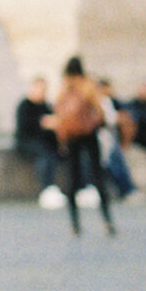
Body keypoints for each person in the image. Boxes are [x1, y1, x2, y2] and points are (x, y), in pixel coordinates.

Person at [47, 58, 114, 234]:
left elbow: (59, 114)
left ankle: (74, 223)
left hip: (71, 137)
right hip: (89, 134)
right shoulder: (88, 85)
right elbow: (99, 110)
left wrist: (62, 138)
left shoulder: (64, 88)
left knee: (72, 178)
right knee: (97, 176)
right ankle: (107, 220)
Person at [15, 76, 60, 202]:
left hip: (44, 141)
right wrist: (42, 123)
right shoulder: (24, 105)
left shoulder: (46, 105)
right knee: (44, 153)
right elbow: (24, 127)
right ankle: (47, 187)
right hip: (27, 142)